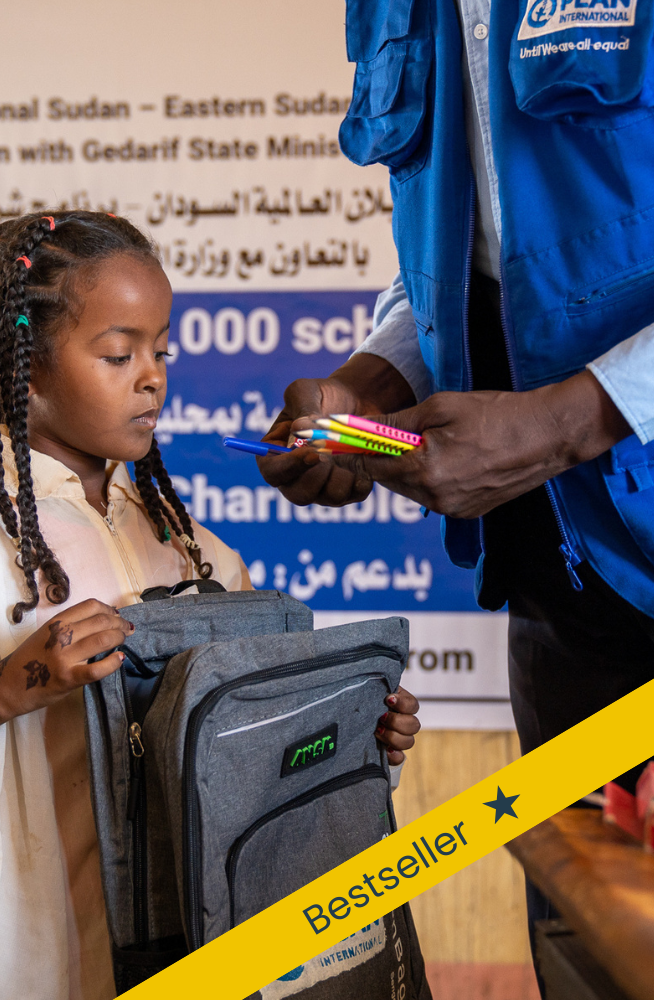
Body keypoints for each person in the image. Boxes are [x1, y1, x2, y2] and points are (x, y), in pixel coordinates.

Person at [0, 211, 422, 1000]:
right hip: (24, 954)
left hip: (182, 941)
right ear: (25, 369)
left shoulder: (192, 548)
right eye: (120, 354)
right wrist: (12, 686)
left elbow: (239, 749)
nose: (152, 377)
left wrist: (351, 734)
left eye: (162, 351)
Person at [256, 0, 654, 976]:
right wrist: (374, 382)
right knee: (589, 954)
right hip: (561, 593)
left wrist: (568, 420)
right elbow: (459, 257)